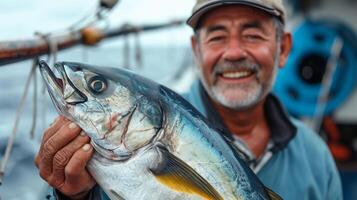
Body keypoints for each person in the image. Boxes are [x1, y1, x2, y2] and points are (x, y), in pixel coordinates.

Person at [35, 0, 343, 199]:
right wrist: (71, 197)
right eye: (217, 36)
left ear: (284, 48)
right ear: (196, 50)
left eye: (253, 35)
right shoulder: (96, 162)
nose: (234, 52)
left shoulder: (317, 157)